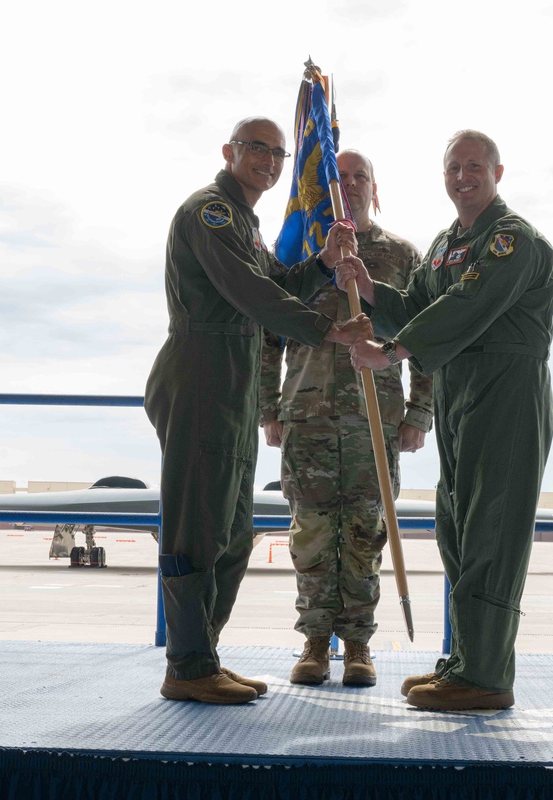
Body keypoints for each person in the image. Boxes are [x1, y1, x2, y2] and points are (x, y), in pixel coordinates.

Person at [144, 117, 371, 705]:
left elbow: (277, 283)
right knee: (197, 525)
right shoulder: (210, 213)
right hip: (202, 375)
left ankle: (203, 657)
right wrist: (331, 330)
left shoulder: (246, 223)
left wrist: (321, 264)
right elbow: (251, 293)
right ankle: (187, 663)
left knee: (231, 532)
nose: (269, 161)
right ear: (229, 152)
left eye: (277, 152)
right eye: (256, 149)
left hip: (235, 383)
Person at [338, 130, 553, 711]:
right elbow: (418, 306)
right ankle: (465, 662)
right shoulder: (443, 246)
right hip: (461, 394)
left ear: (498, 173)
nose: (463, 176)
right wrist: (370, 290)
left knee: (493, 531)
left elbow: (469, 305)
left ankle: (486, 677)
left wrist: (392, 352)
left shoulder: (513, 241)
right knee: (457, 528)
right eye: (453, 168)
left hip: (506, 394)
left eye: (474, 166)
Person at [259, 150, 433, 688]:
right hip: (306, 418)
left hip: (374, 422)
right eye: (341, 177)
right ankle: (315, 642)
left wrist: (419, 413)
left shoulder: (402, 256)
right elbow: (268, 332)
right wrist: (268, 407)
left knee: (364, 535)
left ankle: (357, 645)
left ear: (375, 190)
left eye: (361, 177)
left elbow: (425, 333)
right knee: (311, 536)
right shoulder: (301, 255)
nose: (351, 185)